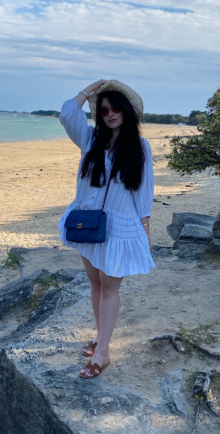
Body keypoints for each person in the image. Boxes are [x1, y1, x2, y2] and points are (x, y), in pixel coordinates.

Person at [58, 79, 155, 378]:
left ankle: (104, 351)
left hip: (120, 226)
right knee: (96, 284)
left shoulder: (140, 146)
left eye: (115, 109)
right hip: (88, 223)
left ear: (126, 111)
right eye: (103, 111)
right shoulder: (90, 140)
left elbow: (144, 190)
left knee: (110, 288)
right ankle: (100, 336)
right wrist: (88, 91)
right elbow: (66, 113)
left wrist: (145, 228)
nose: (109, 114)